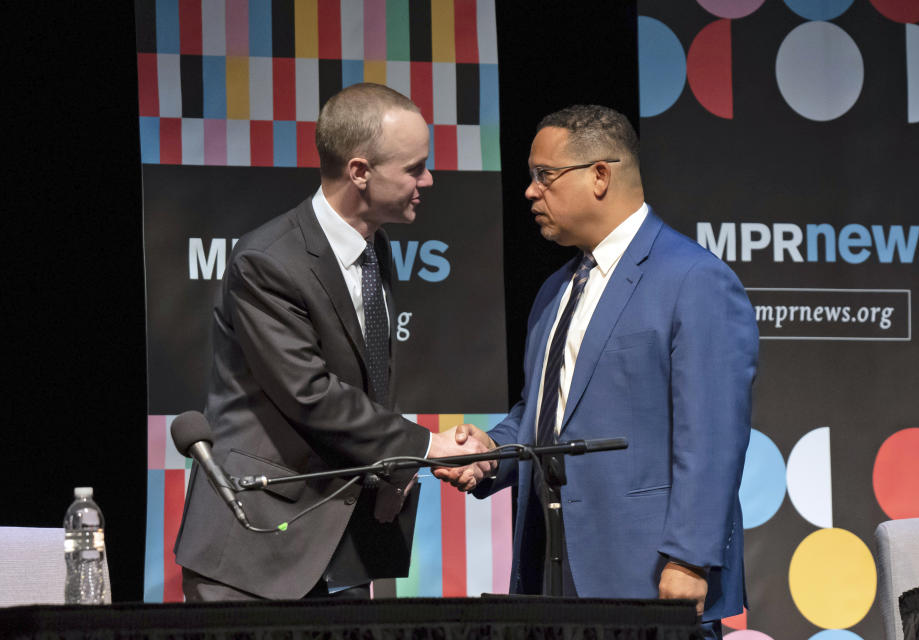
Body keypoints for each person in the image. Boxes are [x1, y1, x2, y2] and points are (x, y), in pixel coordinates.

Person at [439, 105, 758, 637]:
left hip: (648, 575)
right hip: (551, 569)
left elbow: (714, 436)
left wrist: (689, 558)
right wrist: (488, 457)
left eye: (545, 176)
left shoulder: (695, 280)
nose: (530, 192)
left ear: (600, 176)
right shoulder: (554, 290)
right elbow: (544, 413)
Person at [174, 83, 488, 601]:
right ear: (360, 172)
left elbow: (368, 384)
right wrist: (427, 447)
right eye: (414, 168)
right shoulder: (268, 262)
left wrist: (395, 470)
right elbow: (311, 394)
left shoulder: (375, 249)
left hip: (341, 543)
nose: (427, 179)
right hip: (258, 550)